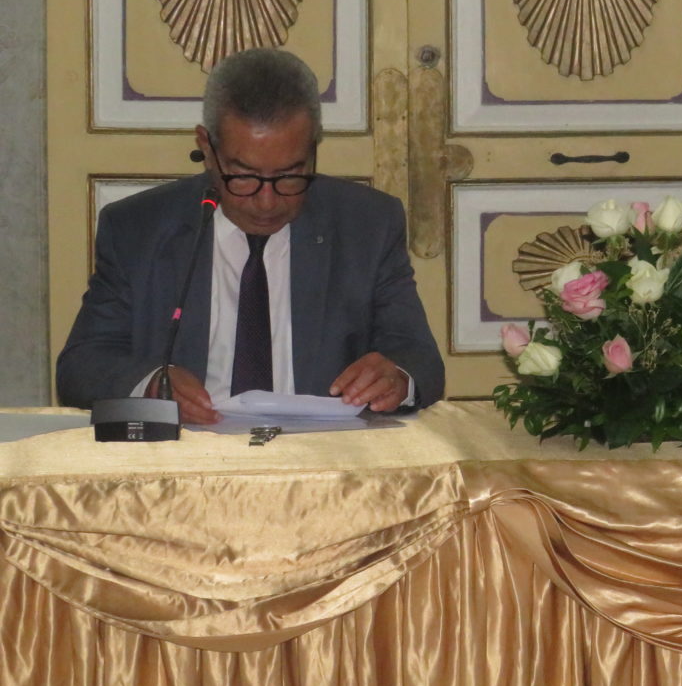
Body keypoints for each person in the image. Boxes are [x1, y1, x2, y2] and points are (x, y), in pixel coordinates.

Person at [57, 48, 445, 423]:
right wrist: (149, 384)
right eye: (243, 176)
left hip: (323, 453)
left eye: (290, 175)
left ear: (313, 148)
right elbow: (81, 366)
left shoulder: (367, 225)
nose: (266, 201)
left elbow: (420, 358)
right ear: (207, 148)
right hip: (191, 453)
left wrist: (397, 377)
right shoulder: (136, 228)